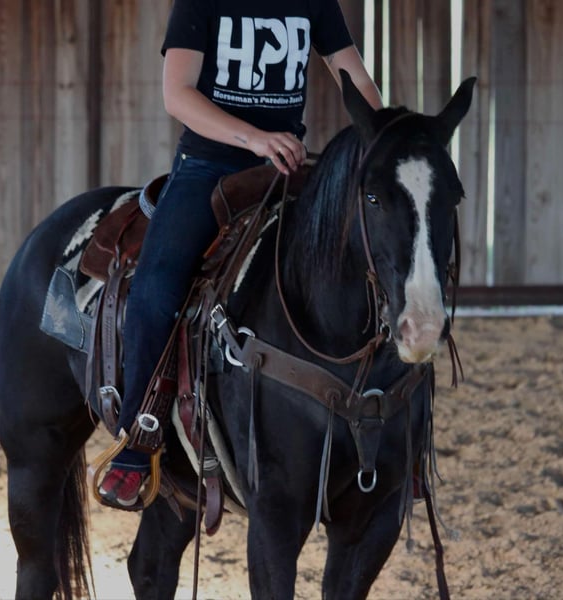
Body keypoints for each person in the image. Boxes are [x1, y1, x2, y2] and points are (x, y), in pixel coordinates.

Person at [98, 0, 383, 508]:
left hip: (285, 166)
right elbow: (177, 94)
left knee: (367, 264)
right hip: (209, 169)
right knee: (156, 286)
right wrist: (254, 137)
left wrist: (384, 140)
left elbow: (355, 78)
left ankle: (386, 423)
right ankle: (138, 436)